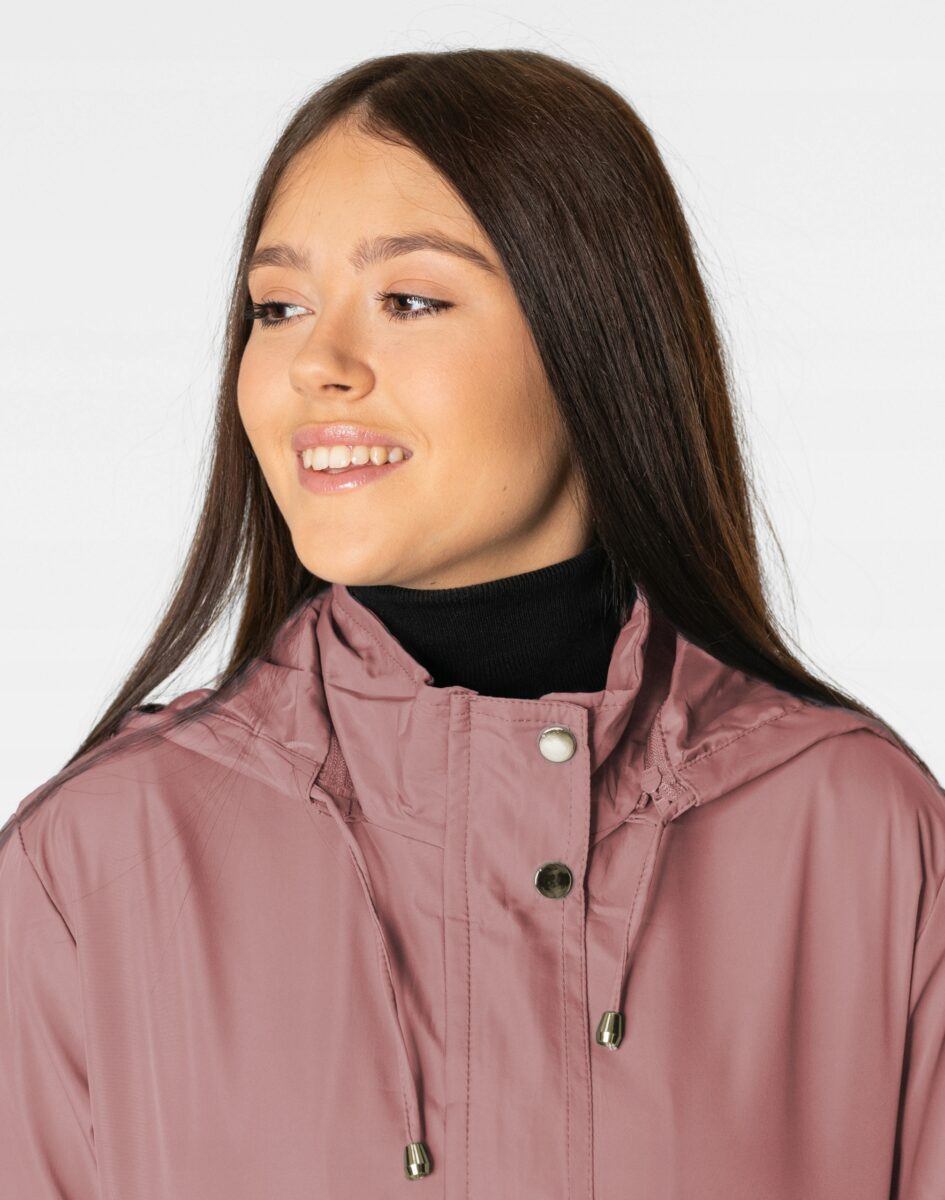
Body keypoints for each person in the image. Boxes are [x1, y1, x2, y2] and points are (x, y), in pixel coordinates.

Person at [1, 48, 943, 1199]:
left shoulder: (863, 835)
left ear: (594, 337)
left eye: (410, 301)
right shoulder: (96, 864)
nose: (316, 366)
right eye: (279, 308)